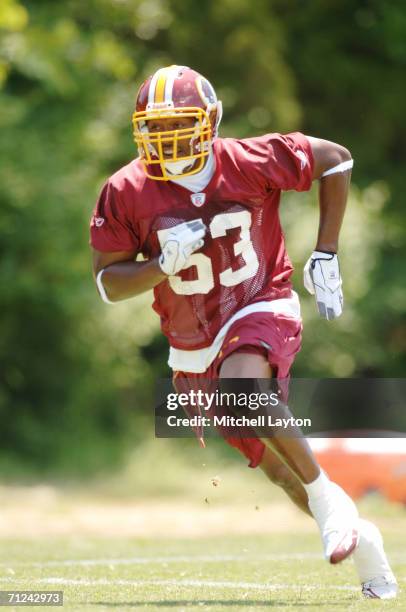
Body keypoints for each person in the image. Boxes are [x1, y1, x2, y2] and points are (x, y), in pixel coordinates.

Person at [90, 65, 397, 599]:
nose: (166, 138)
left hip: (260, 299)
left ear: (208, 121)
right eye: (155, 128)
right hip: (191, 338)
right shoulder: (126, 189)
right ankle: (362, 538)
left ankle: (330, 504)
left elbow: (336, 159)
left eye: (178, 124)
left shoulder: (246, 160)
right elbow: (109, 283)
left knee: (242, 391)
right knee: (279, 473)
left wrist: (326, 250)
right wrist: (159, 265)